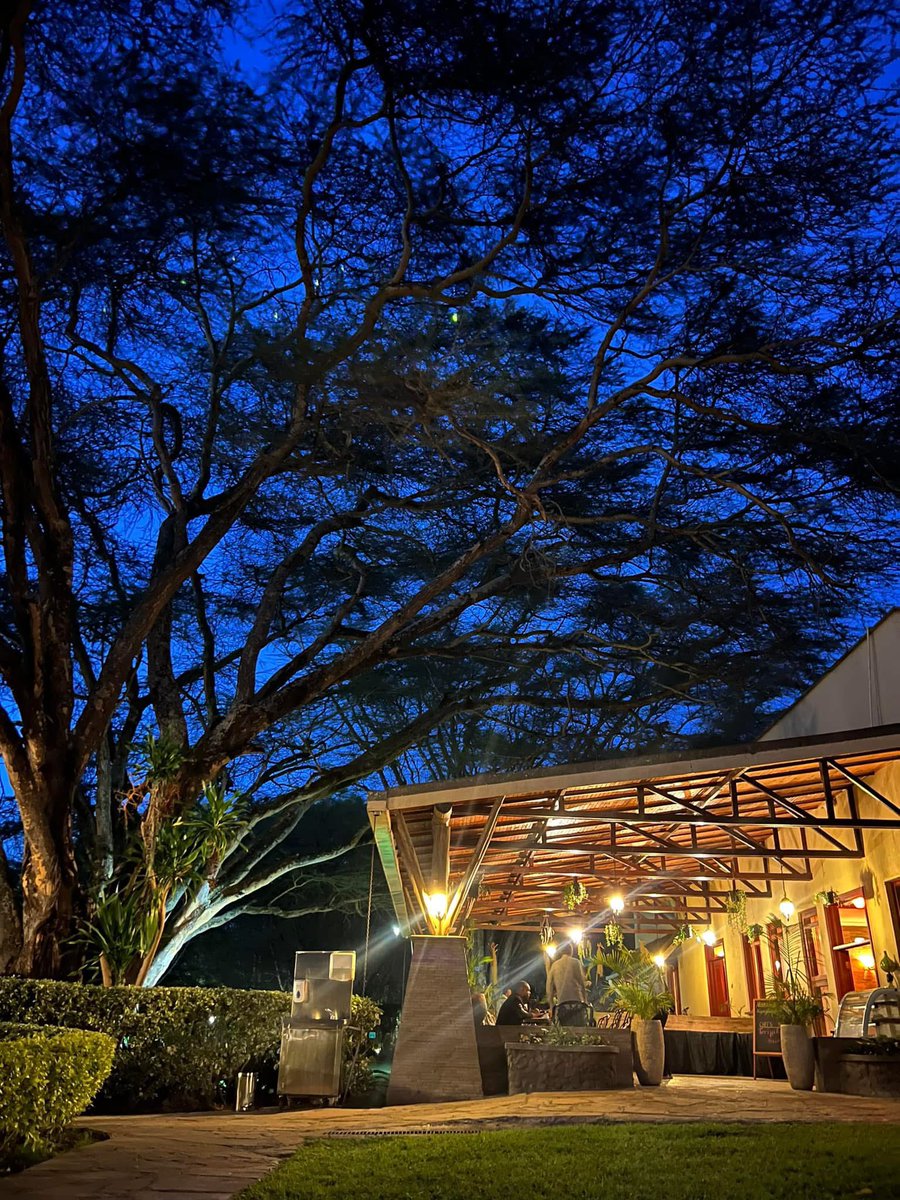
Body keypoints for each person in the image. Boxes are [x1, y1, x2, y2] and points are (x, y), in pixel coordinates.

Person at [546, 943, 589, 1026]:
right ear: (571, 951)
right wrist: (585, 1001)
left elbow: (549, 987)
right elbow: (581, 983)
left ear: (561, 952)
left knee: (564, 1031)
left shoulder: (555, 965)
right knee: (579, 1030)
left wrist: (551, 1006)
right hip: (577, 1003)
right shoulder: (576, 962)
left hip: (562, 1004)